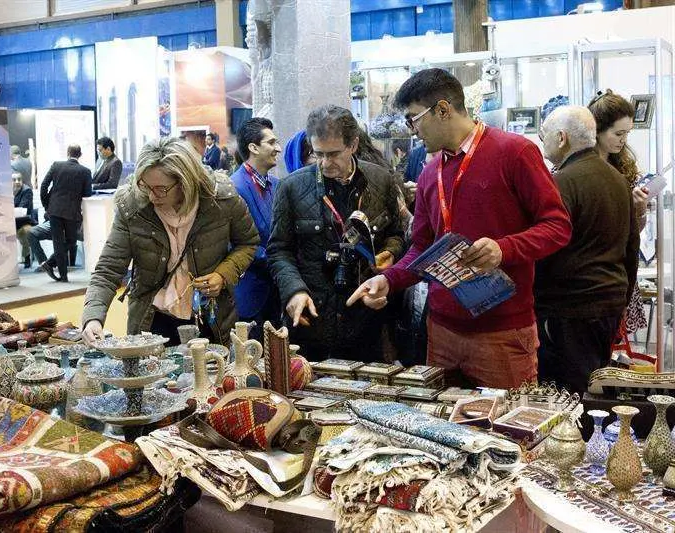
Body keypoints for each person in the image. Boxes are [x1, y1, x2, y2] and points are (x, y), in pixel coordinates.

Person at [348, 68, 572, 389]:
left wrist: (502, 249)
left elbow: (557, 226)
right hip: (442, 331)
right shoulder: (430, 174)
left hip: (501, 332)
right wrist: (388, 279)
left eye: (414, 118)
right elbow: (422, 248)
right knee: (442, 430)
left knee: (507, 432)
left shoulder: (515, 153)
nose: (412, 131)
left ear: (443, 109)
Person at [82, 137, 259, 346]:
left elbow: (248, 243)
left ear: (185, 182)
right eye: (145, 185)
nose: (151, 195)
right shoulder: (132, 206)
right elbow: (108, 269)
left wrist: (223, 274)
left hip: (211, 317)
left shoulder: (221, 198)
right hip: (151, 319)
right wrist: (93, 317)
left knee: (210, 374)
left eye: (161, 188)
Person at [267, 105, 405, 361]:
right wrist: (293, 290)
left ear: (353, 144)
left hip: (365, 318)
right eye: (317, 153)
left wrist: (388, 255)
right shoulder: (291, 187)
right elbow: (278, 250)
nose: (324, 163)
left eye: (333, 154)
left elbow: (396, 234)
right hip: (311, 318)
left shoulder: (381, 179)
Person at [535, 106, 639, 393]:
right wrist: (622, 295)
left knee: (568, 394)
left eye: (544, 136)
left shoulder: (561, 183)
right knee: (594, 384)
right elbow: (632, 246)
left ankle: (580, 438)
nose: (542, 142)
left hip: (570, 307)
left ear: (561, 138)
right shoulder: (616, 178)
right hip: (608, 300)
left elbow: (547, 247)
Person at [588, 89, 649, 336]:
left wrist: (639, 210)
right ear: (597, 131)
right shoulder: (580, 171)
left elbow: (632, 232)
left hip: (619, 269)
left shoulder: (622, 165)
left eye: (627, 134)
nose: (623, 140)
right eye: (618, 133)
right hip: (594, 273)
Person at [230, 117, 283, 339]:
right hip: (250, 296)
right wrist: (280, 259)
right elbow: (234, 243)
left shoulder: (277, 185)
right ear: (253, 147)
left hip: (277, 295)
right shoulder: (234, 187)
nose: (278, 148)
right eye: (271, 143)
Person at [39, 144, 92, 282]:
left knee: (58, 242)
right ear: (80, 155)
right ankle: (52, 265)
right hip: (72, 212)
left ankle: (60, 273)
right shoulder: (85, 171)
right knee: (71, 241)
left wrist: (47, 205)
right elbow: (87, 194)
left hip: (54, 210)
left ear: (67, 153)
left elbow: (44, 186)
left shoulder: (56, 165)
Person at [13, 172, 36, 269]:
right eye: (14, 180)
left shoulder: (27, 191)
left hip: (24, 221)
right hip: (11, 221)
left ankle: (27, 257)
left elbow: (22, 209)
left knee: (24, 232)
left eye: (19, 179)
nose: (17, 182)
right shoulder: (7, 191)